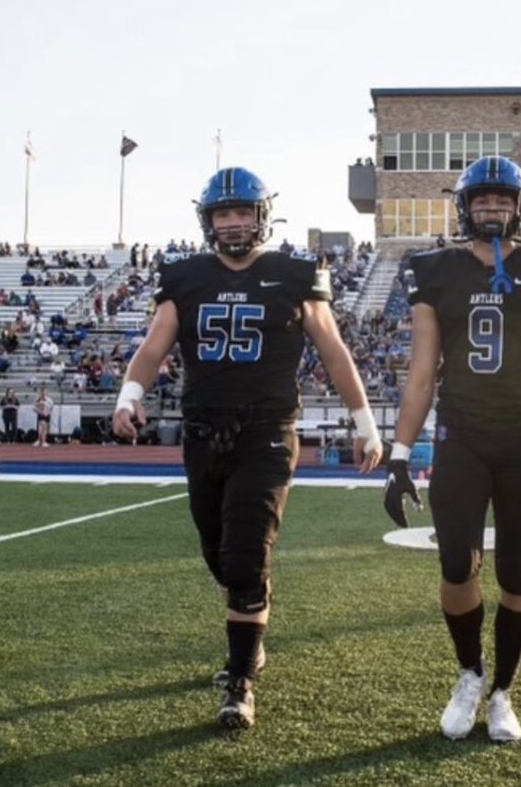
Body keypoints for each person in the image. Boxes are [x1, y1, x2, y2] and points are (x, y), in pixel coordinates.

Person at [112, 166, 383, 731]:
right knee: (218, 554)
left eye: (241, 213)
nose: (232, 223)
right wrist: (129, 395)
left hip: (266, 429)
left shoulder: (294, 273)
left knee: (244, 556)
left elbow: (333, 351)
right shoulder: (184, 277)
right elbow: (154, 344)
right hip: (203, 426)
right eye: (222, 214)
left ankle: (240, 682)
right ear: (207, 221)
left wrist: (365, 423)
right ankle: (250, 614)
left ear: (262, 217)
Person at [383, 155, 521, 743]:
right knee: (456, 565)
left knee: (517, 572)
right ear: (465, 207)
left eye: (503, 200)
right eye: (483, 201)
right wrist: (400, 454)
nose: (493, 210)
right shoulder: (434, 269)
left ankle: (503, 691)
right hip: (460, 436)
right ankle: (470, 672)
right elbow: (423, 371)